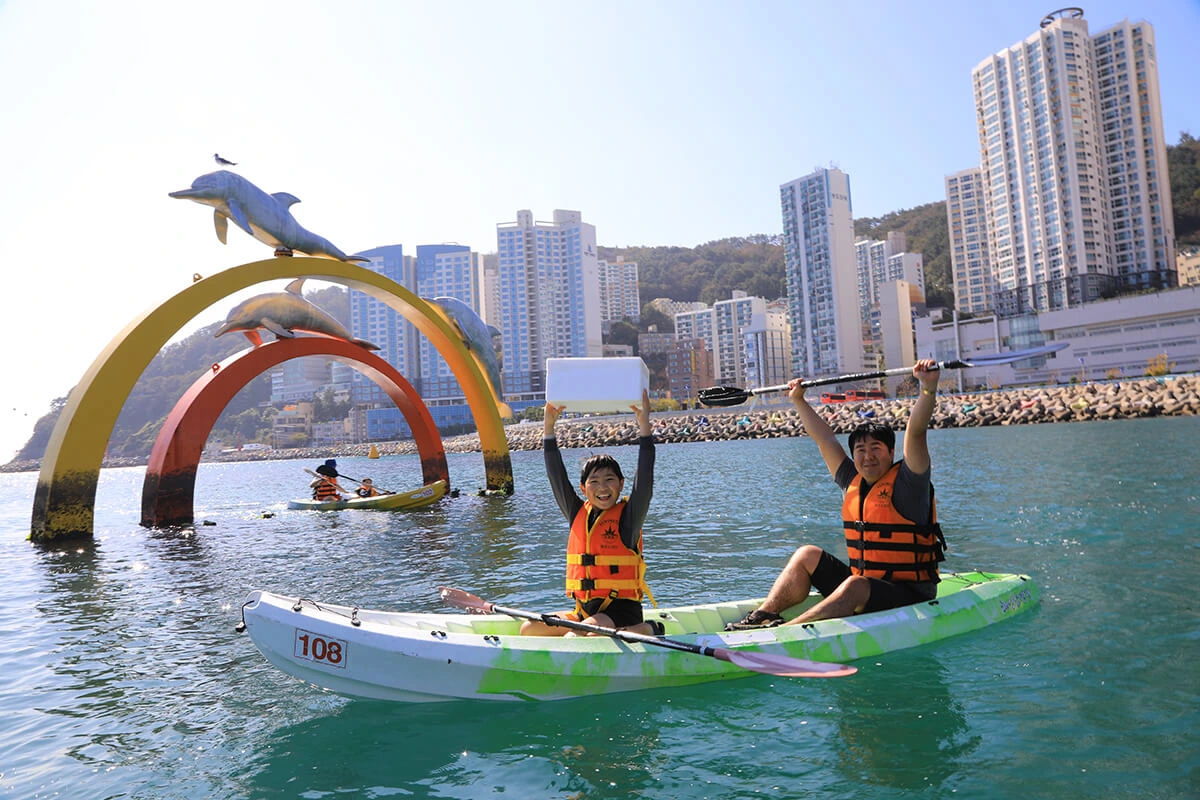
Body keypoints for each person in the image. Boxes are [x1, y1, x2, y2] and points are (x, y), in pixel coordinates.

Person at [726, 360, 947, 629]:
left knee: (855, 585)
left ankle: (787, 631)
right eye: (861, 450)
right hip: (866, 585)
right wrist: (798, 400)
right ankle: (763, 615)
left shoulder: (910, 483)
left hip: (911, 594)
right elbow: (825, 439)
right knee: (806, 554)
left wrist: (928, 388)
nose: (868, 456)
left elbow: (917, 433)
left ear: (891, 453)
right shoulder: (852, 481)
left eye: (876, 449)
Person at [521, 389, 663, 637]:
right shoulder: (576, 512)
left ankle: (650, 628)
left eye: (609, 480)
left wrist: (644, 427)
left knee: (580, 636)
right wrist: (548, 429)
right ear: (583, 489)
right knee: (528, 629)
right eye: (594, 482)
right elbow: (556, 476)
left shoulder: (628, 519)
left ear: (621, 484)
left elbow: (645, 483)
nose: (602, 488)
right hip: (584, 611)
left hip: (621, 611)